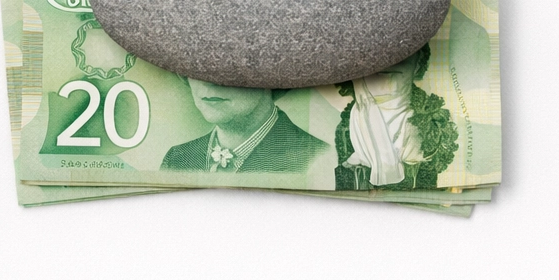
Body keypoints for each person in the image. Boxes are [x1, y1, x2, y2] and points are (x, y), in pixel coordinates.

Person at [333, 45, 459, 190]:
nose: (387, 61)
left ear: (418, 63)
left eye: (402, 51)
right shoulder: (345, 130)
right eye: (373, 54)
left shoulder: (435, 130)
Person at [161, 79, 327, 173]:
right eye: (194, 67)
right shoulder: (177, 158)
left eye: (231, 68)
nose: (208, 82)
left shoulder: (320, 160)